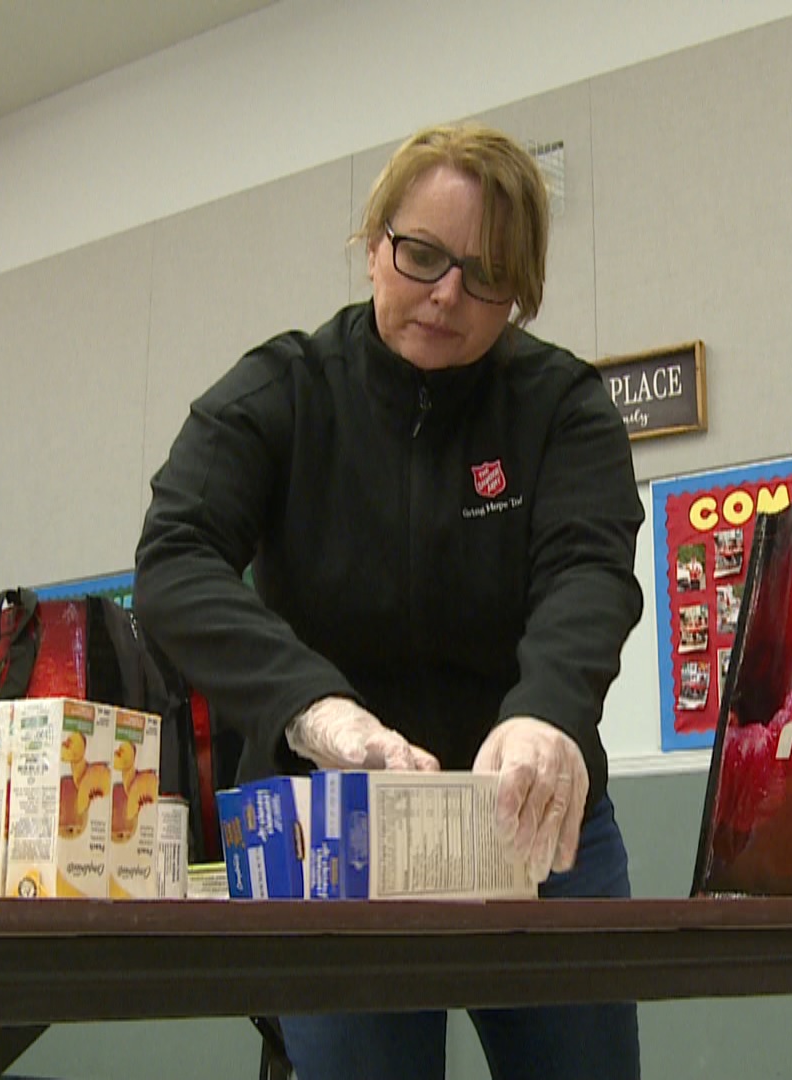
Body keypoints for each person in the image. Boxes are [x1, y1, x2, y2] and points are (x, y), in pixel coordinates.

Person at [133, 122, 644, 1080]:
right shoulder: (281, 391)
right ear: (374, 245)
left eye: (486, 275)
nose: (447, 293)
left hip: (530, 821)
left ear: (520, 293)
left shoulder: (561, 405)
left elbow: (590, 570)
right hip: (334, 835)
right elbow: (174, 559)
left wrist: (549, 713)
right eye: (422, 255)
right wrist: (313, 709)